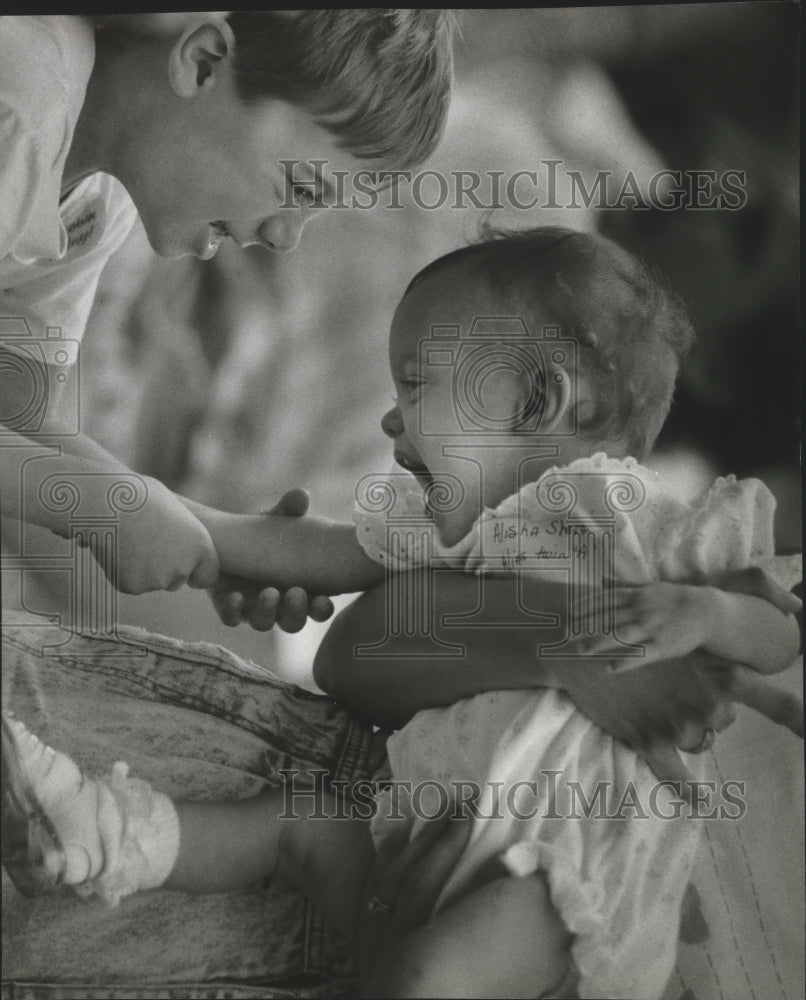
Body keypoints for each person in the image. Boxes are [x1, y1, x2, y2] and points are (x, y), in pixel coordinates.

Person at [5, 228, 801, 999]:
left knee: (424, 980)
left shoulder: (644, 523)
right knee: (298, 825)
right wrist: (173, 523)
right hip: (423, 835)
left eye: (416, 384)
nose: (392, 419)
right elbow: (320, 574)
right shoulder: (460, 525)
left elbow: (773, 633)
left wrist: (700, 613)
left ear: (537, 398)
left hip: (563, 873)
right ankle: (112, 836)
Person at [0, 11, 452, 618]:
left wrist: (218, 535)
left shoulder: (94, 203)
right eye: (303, 190)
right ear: (203, 62)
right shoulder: (22, 95)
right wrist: (93, 505)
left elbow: (13, 411)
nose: (288, 238)